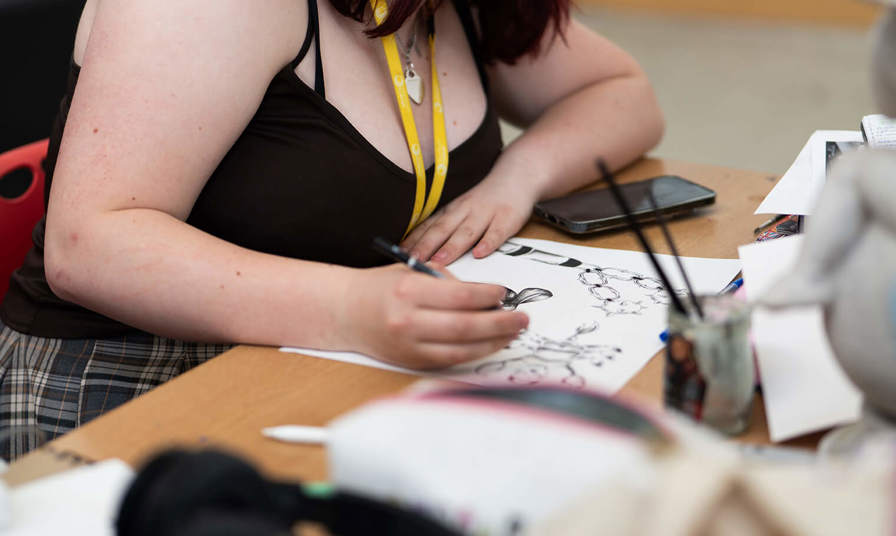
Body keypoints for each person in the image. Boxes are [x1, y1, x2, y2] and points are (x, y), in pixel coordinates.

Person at [0, 0, 663, 458]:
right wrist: (347, 307)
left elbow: (623, 90)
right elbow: (88, 246)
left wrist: (519, 176)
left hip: (317, 357)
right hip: (128, 382)